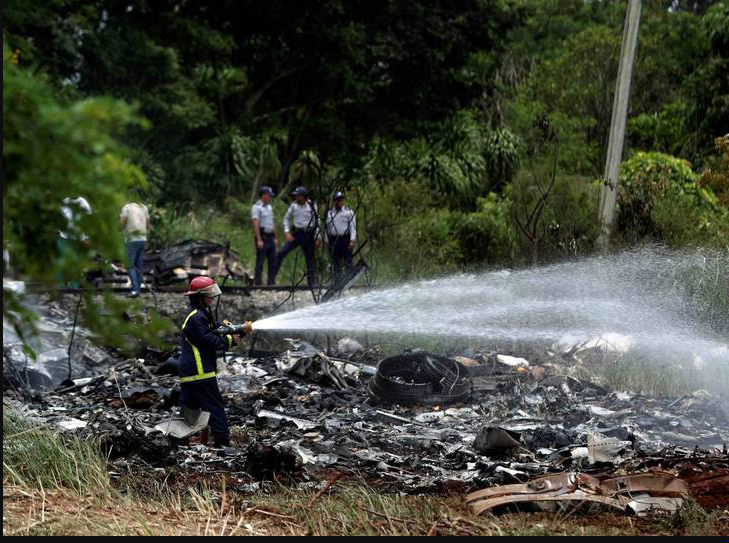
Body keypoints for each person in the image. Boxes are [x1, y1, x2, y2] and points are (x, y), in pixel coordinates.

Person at [178, 276, 242, 448]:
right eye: (209, 295)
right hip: (200, 373)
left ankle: (176, 445)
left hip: (190, 373)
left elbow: (213, 329)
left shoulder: (199, 316)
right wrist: (231, 340)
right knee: (215, 408)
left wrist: (235, 329)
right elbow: (209, 341)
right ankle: (224, 446)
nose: (212, 298)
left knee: (188, 413)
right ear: (199, 296)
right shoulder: (197, 318)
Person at [274, 186, 320, 289]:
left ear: (303, 196)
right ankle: (272, 279)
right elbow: (286, 219)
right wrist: (287, 232)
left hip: (308, 234)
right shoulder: (293, 206)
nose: (296, 197)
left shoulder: (311, 205)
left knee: (310, 259)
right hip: (297, 234)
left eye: (298, 195)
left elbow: (317, 222)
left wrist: (317, 237)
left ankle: (311, 283)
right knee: (281, 252)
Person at [58, 196, 92, 287]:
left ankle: (74, 287)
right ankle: (60, 287)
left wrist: (87, 237)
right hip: (64, 236)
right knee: (62, 262)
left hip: (78, 238)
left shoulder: (84, 203)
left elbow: (89, 222)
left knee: (76, 263)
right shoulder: (64, 202)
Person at [119, 201, 150, 298]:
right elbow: (148, 224)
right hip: (142, 239)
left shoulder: (126, 207)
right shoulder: (144, 207)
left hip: (131, 239)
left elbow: (122, 223)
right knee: (138, 264)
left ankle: (134, 290)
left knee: (130, 265)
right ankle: (138, 289)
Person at [325, 191, 357, 282]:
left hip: (345, 239)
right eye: (337, 200)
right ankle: (338, 281)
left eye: (341, 200)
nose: (339, 202)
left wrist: (352, 240)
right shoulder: (329, 214)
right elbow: (327, 228)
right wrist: (326, 240)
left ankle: (350, 280)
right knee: (336, 262)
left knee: (348, 261)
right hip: (334, 240)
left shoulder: (348, 212)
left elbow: (353, 226)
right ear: (334, 201)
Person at [250, 186, 278, 286]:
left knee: (273, 261)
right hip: (263, 236)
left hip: (270, 236)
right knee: (260, 261)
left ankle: (271, 282)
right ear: (264, 196)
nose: (270, 198)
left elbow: (272, 222)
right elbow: (255, 223)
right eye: (269, 195)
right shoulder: (257, 207)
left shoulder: (269, 207)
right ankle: (258, 283)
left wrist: (275, 237)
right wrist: (259, 239)